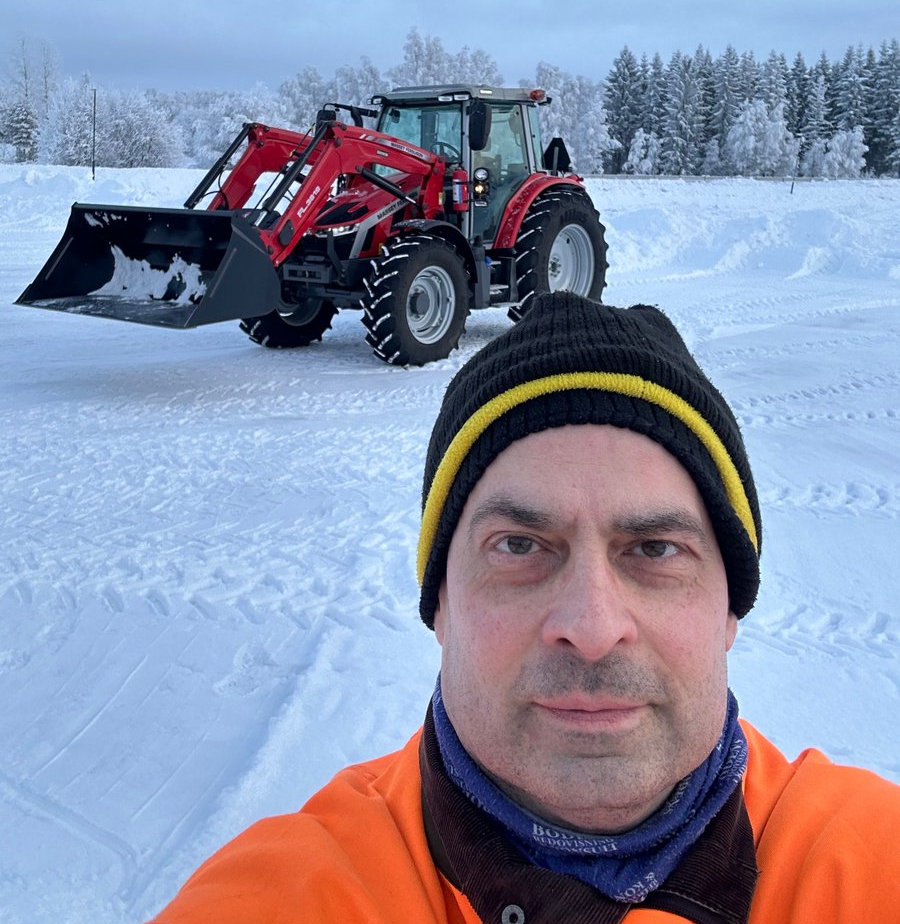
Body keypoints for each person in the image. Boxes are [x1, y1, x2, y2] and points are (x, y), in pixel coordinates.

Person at [152, 292, 900, 923]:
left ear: (729, 609)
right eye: (518, 546)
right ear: (440, 603)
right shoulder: (294, 893)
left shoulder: (870, 862)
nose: (593, 628)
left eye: (655, 548)